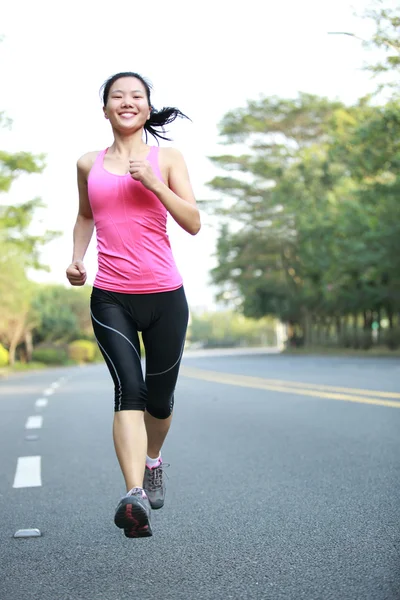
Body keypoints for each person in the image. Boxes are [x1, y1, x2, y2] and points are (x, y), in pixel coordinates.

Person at [66, 71, 200, 538]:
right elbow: (86, 215)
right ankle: (134, 494)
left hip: (165, 295)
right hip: (111, 296)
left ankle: (153, 460)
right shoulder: (88, 164)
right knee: (130, 389)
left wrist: (157, 185)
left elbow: (193, 222)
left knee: (159, 402)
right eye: (116, 96)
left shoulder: (168, 158)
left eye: (136, 96)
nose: (126, 102)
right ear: (105, 109)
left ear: (146, 108)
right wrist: (77, 258)